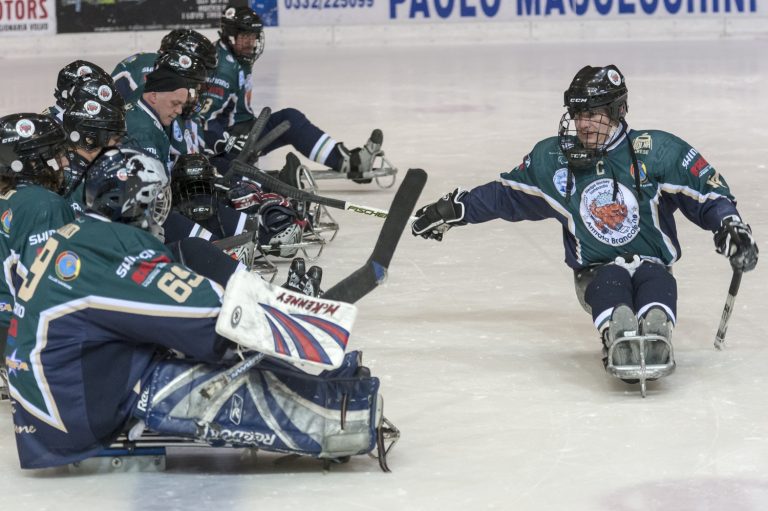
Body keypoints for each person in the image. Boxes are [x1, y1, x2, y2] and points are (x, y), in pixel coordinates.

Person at [4, 146, 388, 469]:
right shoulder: (116, 247)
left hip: (52, 406)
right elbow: (211, 323)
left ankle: (319, 385)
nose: (160, 213)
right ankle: (338, 419)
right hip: (76, 418)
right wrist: (280, 338)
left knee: (190, 342)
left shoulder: (83, 234)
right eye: (157, 200)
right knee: (209, 365)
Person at [411, 65, 759, 389]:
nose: (584, 124)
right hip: (594, 271)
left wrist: (729, 224)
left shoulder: (656, 151)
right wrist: (456, 209)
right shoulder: (554, 158)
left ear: (616, 111)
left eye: (592, 114)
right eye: (578, 115)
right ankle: (616, 331)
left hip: (652, 263)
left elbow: (707, 192)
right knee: (612, 284)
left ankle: (657, 326)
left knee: (655, 285)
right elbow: (508, 196)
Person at [201, 5, 384, 181]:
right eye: (245, 36)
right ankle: (350, 163)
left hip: (241, 131)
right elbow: (203, 122)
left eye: (253, 36)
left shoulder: (235, 55)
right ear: (229, 35)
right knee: (291, 121)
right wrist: (228, 146)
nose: (251, 43)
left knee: (289, 120)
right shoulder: (223, 70)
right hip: (229, 140)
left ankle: (349, 161)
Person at [0, 113, 77, 394]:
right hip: (17, 336)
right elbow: (49, 282)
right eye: (56, 155)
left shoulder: (12, 200)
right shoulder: (43, 204)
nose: (65, 162)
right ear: (31, 162)